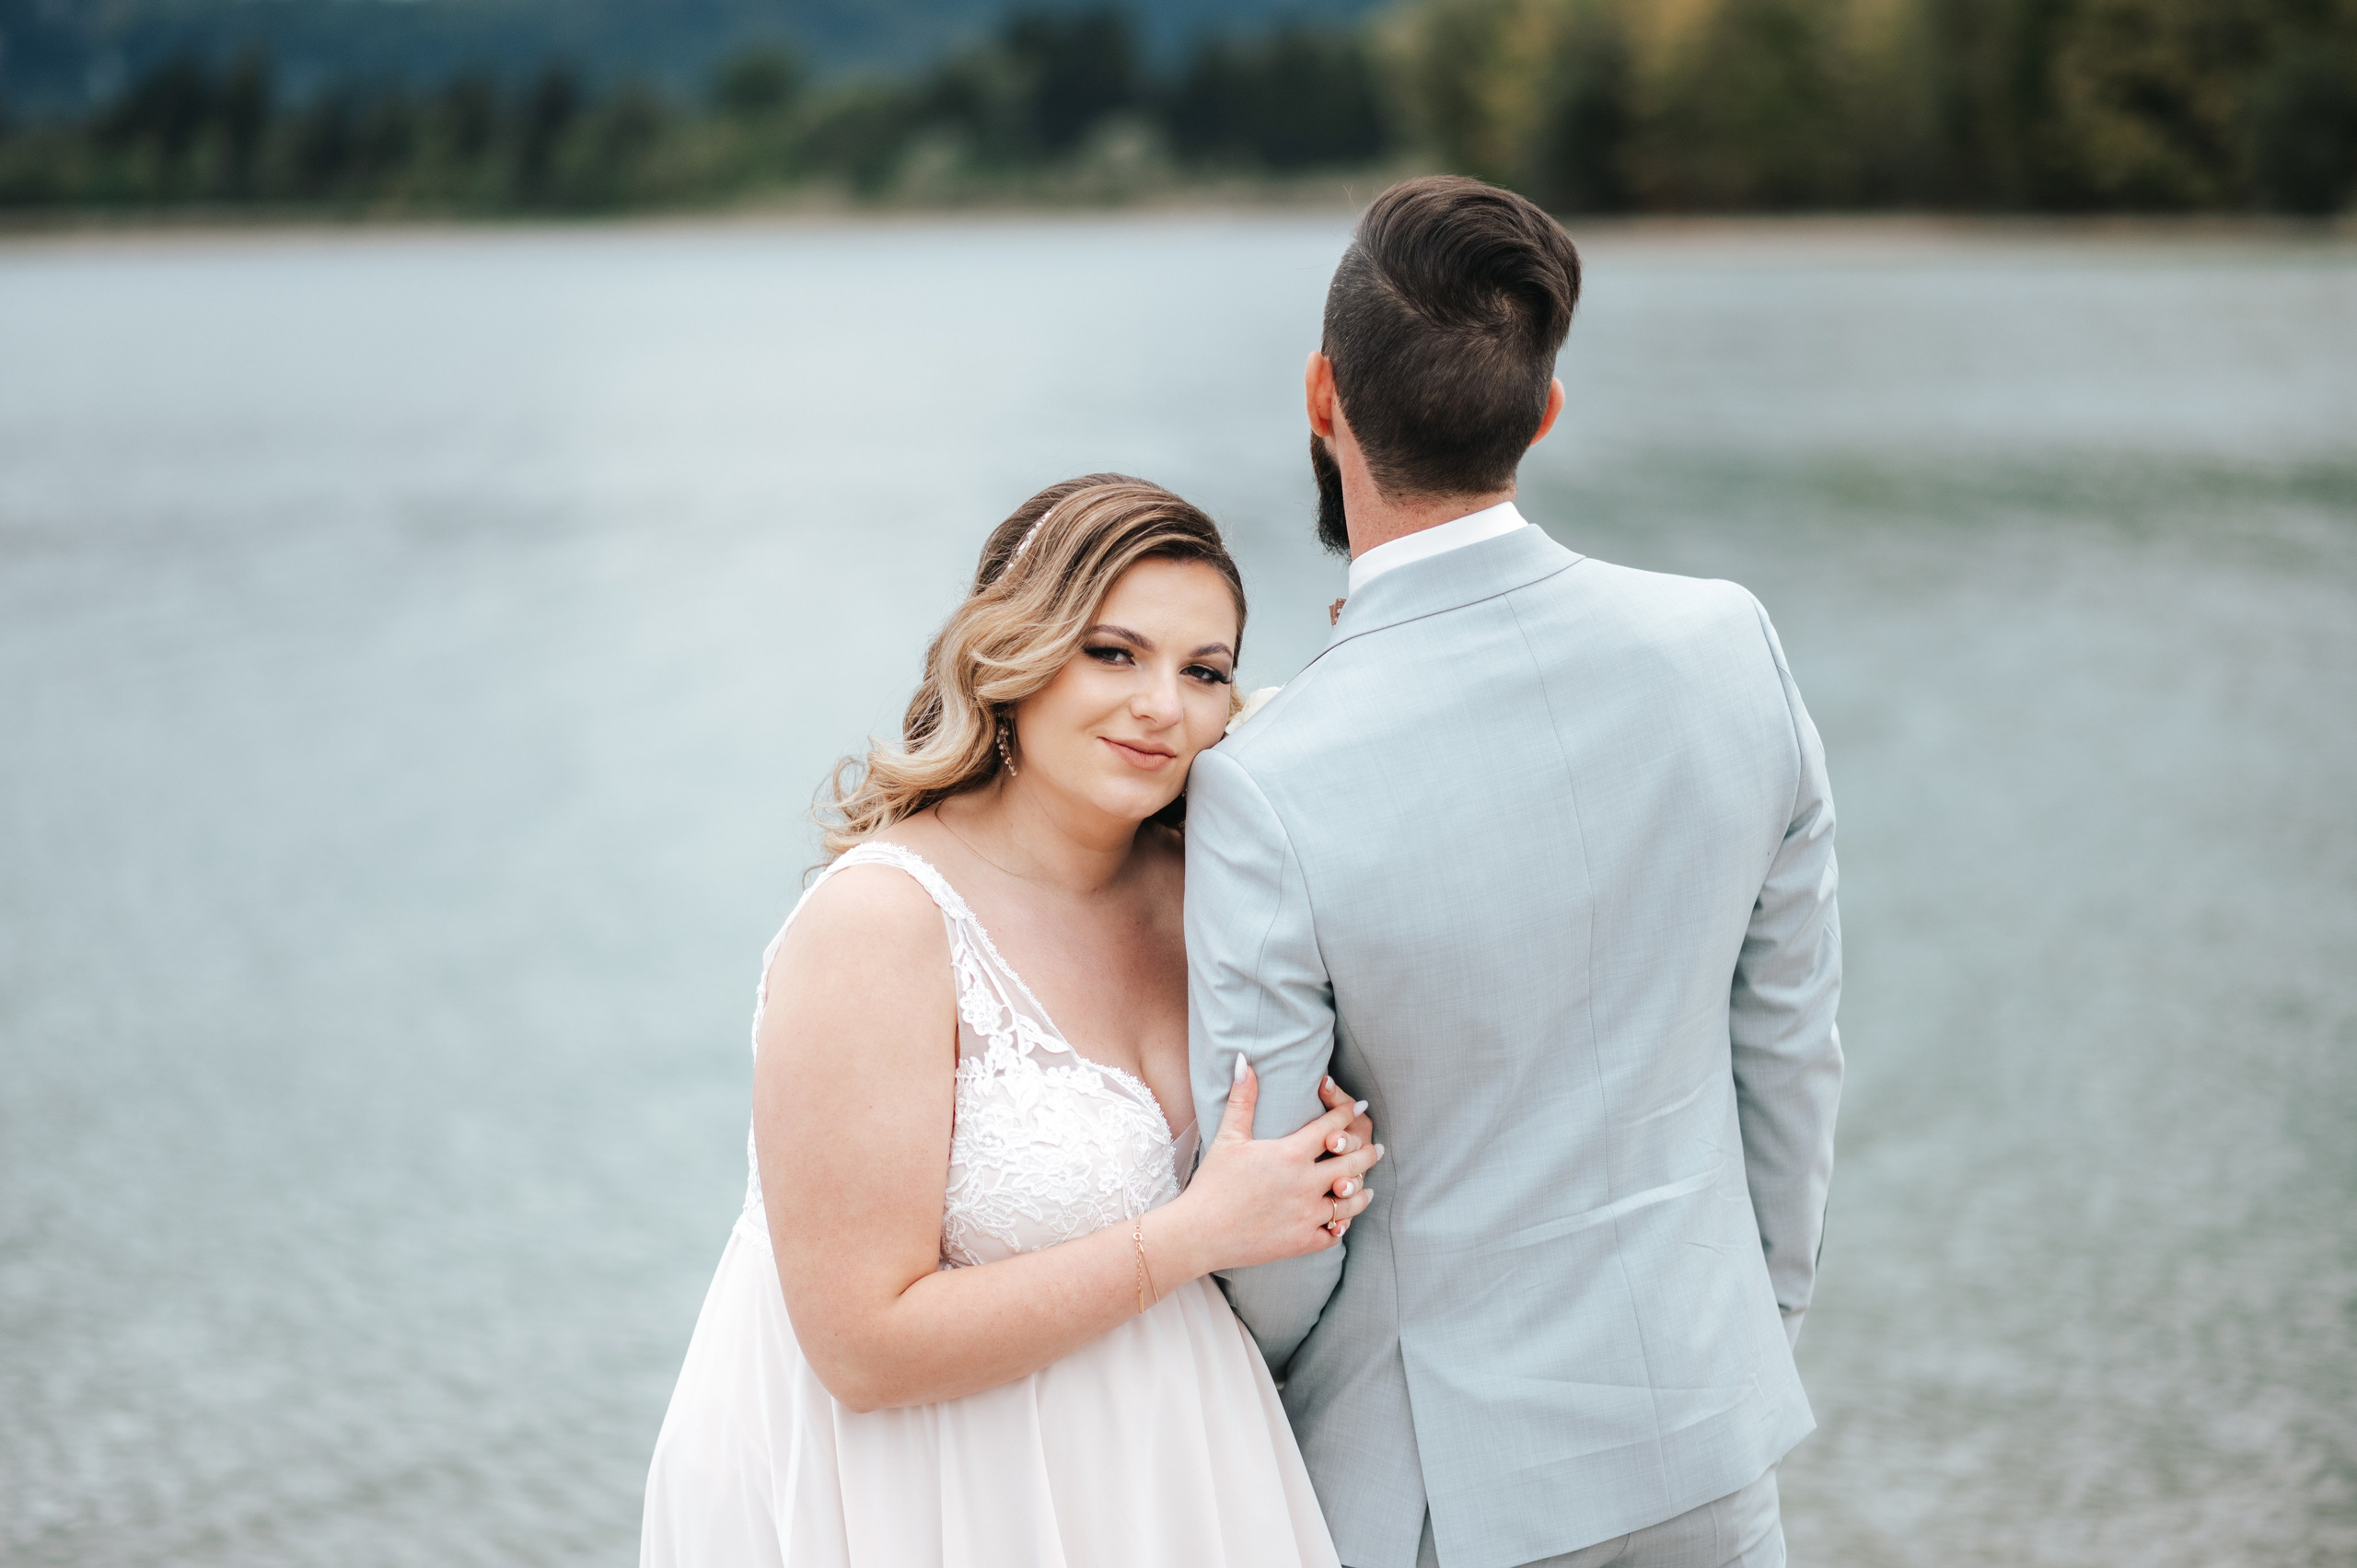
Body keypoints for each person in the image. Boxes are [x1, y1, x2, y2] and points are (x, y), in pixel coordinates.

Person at [1187, 176, 1843, 1568]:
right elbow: (1789, 1052)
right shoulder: (1730, 642)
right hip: (1705, 1433)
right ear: (1543, 414)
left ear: (1322, 394)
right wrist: (1744, 1322)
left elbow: (1279, 1214)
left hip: (1436, 1485)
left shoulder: (1266, 777)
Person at [641, 475, 1379, 1568]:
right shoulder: (882, 922)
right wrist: (1197, 1231)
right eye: (1113, 653)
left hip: (1167, 1470)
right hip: (925, 1491)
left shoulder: (1216, 894)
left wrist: (1321, 1166)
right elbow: (859, 1345)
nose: (1161, 707)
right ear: (1013, 655)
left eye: (1204, 671)